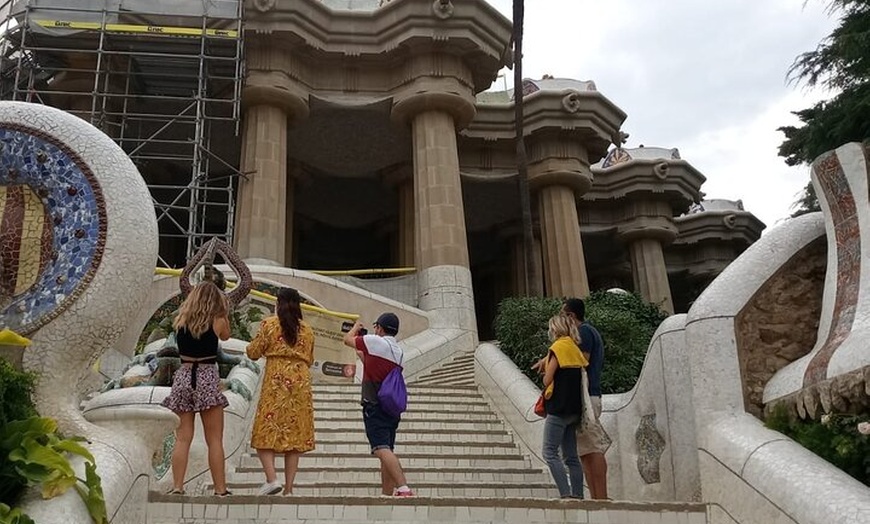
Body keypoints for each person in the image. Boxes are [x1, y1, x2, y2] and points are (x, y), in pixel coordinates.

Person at [161, 281, 232, 497]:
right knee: (214, 439)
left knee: (183, 438)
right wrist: (224, 311)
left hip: (184, 375)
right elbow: (226, 336)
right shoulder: (218, 320)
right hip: (207, 375)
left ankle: (177, 486)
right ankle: (220, 489)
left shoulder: (181, 320)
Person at [246, 287, 315, 496]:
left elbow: (253, 352)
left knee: (265, 429)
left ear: (278, 303)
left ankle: (272, 478)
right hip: (300, 381)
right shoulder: (308, 330)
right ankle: (290, 489)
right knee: (294, 436)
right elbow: (310, 359)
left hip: (276, 381)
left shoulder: (269, 325)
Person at [342, 312, 414, 497]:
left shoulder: (375, 341)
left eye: (376, 326)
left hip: (374, 403)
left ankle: (403, 488)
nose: (374, 329)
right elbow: (370, 361)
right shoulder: (398, 350)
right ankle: (386, 493)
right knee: (386, 449)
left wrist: (356, 328)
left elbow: (347, 340)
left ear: (380, 328)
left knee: (380, 448)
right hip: (391, 407)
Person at [538, 314, 588, 498]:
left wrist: (544, 369)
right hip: (574, 410)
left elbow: (547, 379)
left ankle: (566, 495)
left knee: (550, 452)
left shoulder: (557, 348)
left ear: (555, 329)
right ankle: (578, 495)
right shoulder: (574, 349)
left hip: (558, 409)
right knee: (572, 456)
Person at [564, 297, 609, 500]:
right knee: (585, 450)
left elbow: (582, 360)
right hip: (587, 396)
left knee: (592, 448)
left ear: (571, 316)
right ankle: (596, 498)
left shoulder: (584, 332)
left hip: (587, 396)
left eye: (563, 315)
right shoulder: (589, 332)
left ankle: (601, 498)